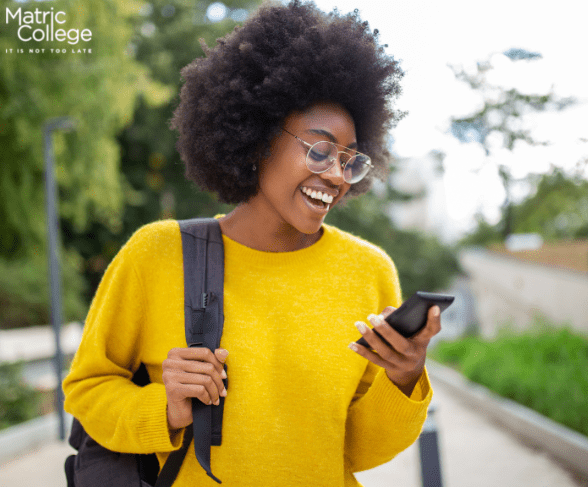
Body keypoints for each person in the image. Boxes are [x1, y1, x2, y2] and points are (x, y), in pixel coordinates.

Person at [63, 1, 441, 485]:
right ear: (259, 137)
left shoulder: (368, 271)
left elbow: (356, 451)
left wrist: (403, 379)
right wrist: (166, 408)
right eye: (320, 149)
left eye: (350, 161)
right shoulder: (155, 254)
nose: (335, 175)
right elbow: (87, 389)